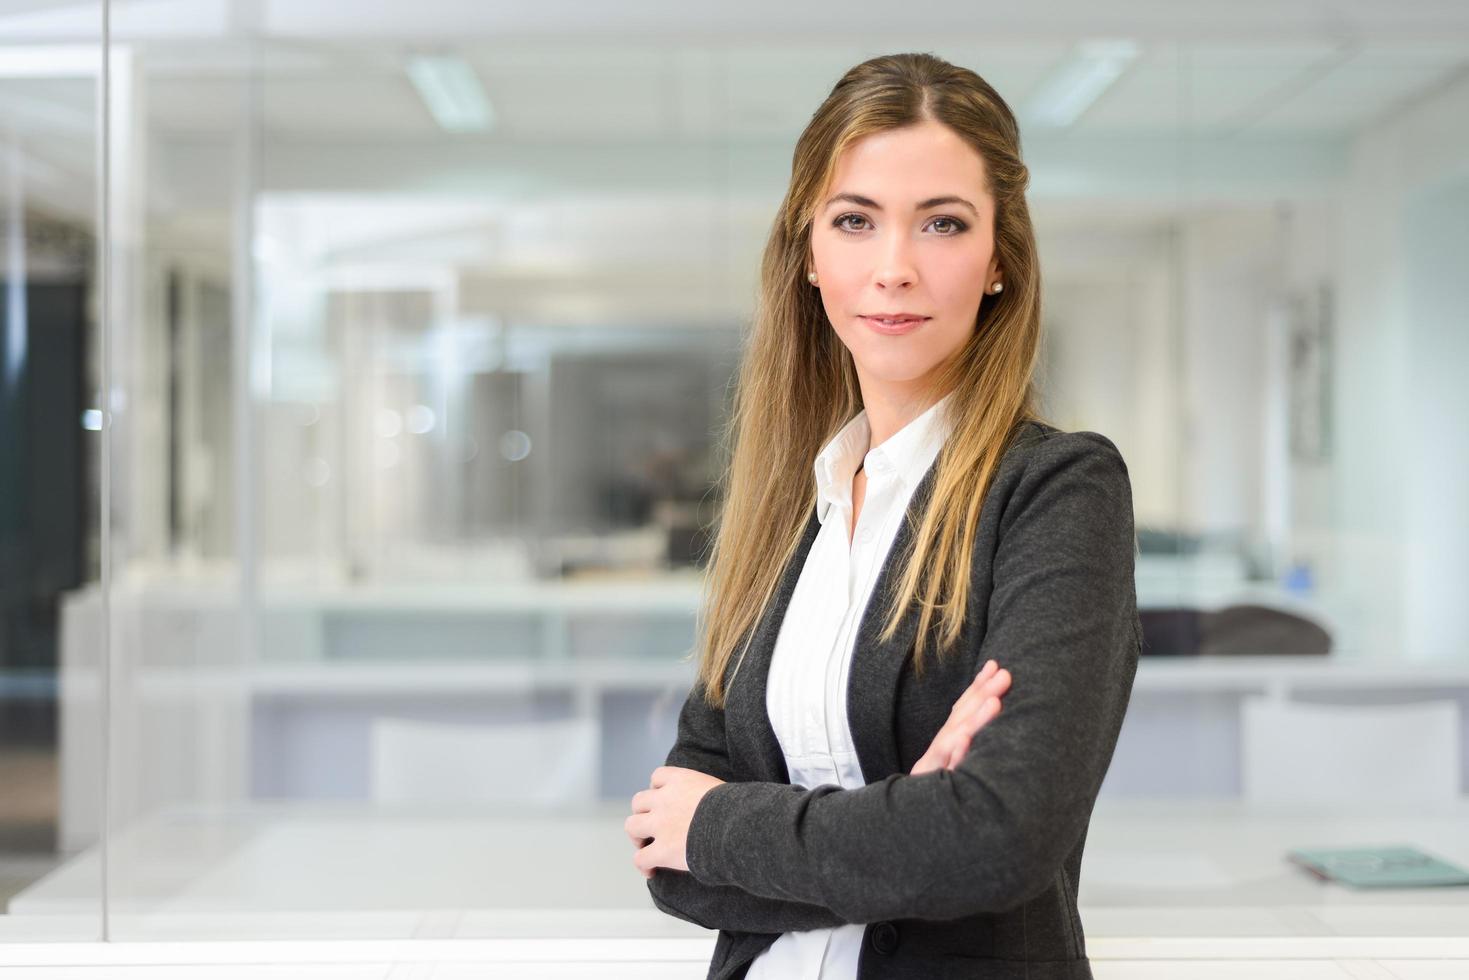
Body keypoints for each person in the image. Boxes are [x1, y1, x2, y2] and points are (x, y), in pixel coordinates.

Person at [625, 51, 1140, 980]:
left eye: (942, 223)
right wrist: (904, 819)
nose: (894, 269)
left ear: (997, 263)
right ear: (809, 257)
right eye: (855, 221)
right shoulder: (789, 512)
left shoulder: (1057, 490)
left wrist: (723, 825)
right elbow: (669, 859)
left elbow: (994, 838)